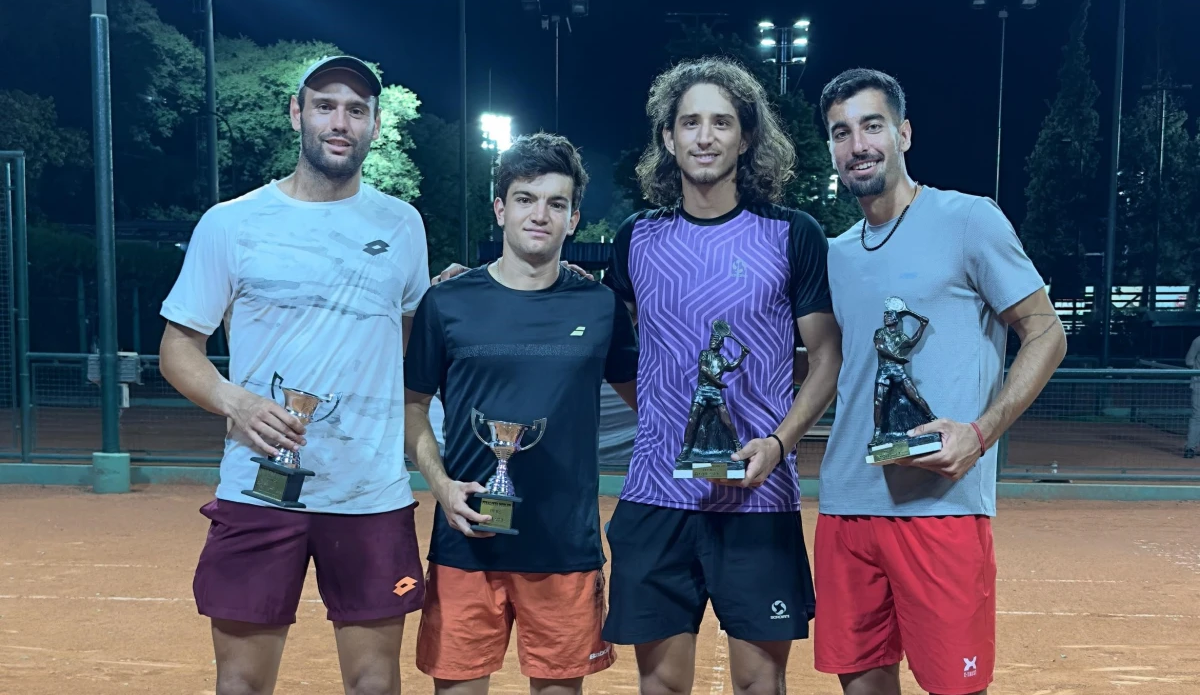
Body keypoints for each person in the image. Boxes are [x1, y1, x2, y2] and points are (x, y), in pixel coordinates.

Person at [159, 56, 430, 695]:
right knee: (242, 684)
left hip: (369, 492)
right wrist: (238, 403)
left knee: (373, 683)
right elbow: (179, 349)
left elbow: (413, 347)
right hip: (258, 488)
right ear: (296, 113)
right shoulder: (230, 223)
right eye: (326, 106)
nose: (341, 122)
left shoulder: (403, 224)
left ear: (374, 125)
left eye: (356, 110)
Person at [814, 68, 1067, 695]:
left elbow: (1046, 333)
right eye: (841, 133)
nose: (858, 145)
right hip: (846, 504)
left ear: (903, 133)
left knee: (954, 688)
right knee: (862, 684)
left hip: (940, 506)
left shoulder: (969, 219)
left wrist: (980, 435)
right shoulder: (838, 253)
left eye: (872, 126)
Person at [601, 57, 843, 695]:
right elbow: (615, 346)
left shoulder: (792, 234)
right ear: (667, 138)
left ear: (746, 136)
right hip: (656, 497)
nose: (704, 136)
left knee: (760, 686)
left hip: (758, 497)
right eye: (689, 123)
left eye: (721, 122)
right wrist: (660, 418)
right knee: (661, 687)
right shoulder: (636, 238)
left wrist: (780, 442)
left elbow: (826, 358)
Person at [403, 132, 639, 695]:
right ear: (500, 208)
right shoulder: (447, 302)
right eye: (527, 198)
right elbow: (412, 408)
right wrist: (439, 485)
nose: (541, 214)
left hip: (563, 547)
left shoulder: (600, 306)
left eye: (556, 203)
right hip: (467, 542)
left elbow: (649, 402)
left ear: (574, 218)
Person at [1185, 333, 1200, 458]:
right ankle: (1191, 447)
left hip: (1198, 383)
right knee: (1197, 416)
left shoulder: (1198, 340)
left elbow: (1189, 361)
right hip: (1198, 384)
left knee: (1196, 417)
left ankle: (1191, 448)